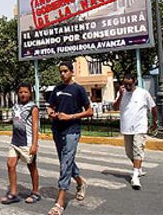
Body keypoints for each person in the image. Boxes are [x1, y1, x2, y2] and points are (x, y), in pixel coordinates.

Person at [47, 61, 93, 215]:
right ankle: (81, 183)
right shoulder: (57, 89)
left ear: (72, 72)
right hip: (57, 129)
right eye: (60, 71)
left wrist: (70, 116)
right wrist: (51, 112)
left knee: (65, 164)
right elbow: (50, 105)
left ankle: (60, 202)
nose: (62, 74)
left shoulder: (78, 89)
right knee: (65, 161)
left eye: (65, 71)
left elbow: (89, 111)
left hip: (72, 130)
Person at [112, 73, 158, 190]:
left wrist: (154, 122)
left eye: (129, 84)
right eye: (125, 84)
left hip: (140, 127)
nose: (127, 86)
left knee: (138, 149)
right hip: (126, 127)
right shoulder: (121, 93)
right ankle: (138, 168)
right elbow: (115, 108)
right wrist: (121, 95)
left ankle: (135, 176)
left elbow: (153, 108)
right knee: (129, 152)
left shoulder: (143, 93)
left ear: (135, 82)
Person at [0, 82, 40, 205]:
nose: (23, 94)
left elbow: (35, 126)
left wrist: (34, 144)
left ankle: (35, 192)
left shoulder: (33, 107)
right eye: (21, 92)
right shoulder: (16, 106)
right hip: (15, 141)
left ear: (30, 93)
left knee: (31, 166)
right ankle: (13, 193)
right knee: (10, 164)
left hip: (27, 142)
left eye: (26, 92)